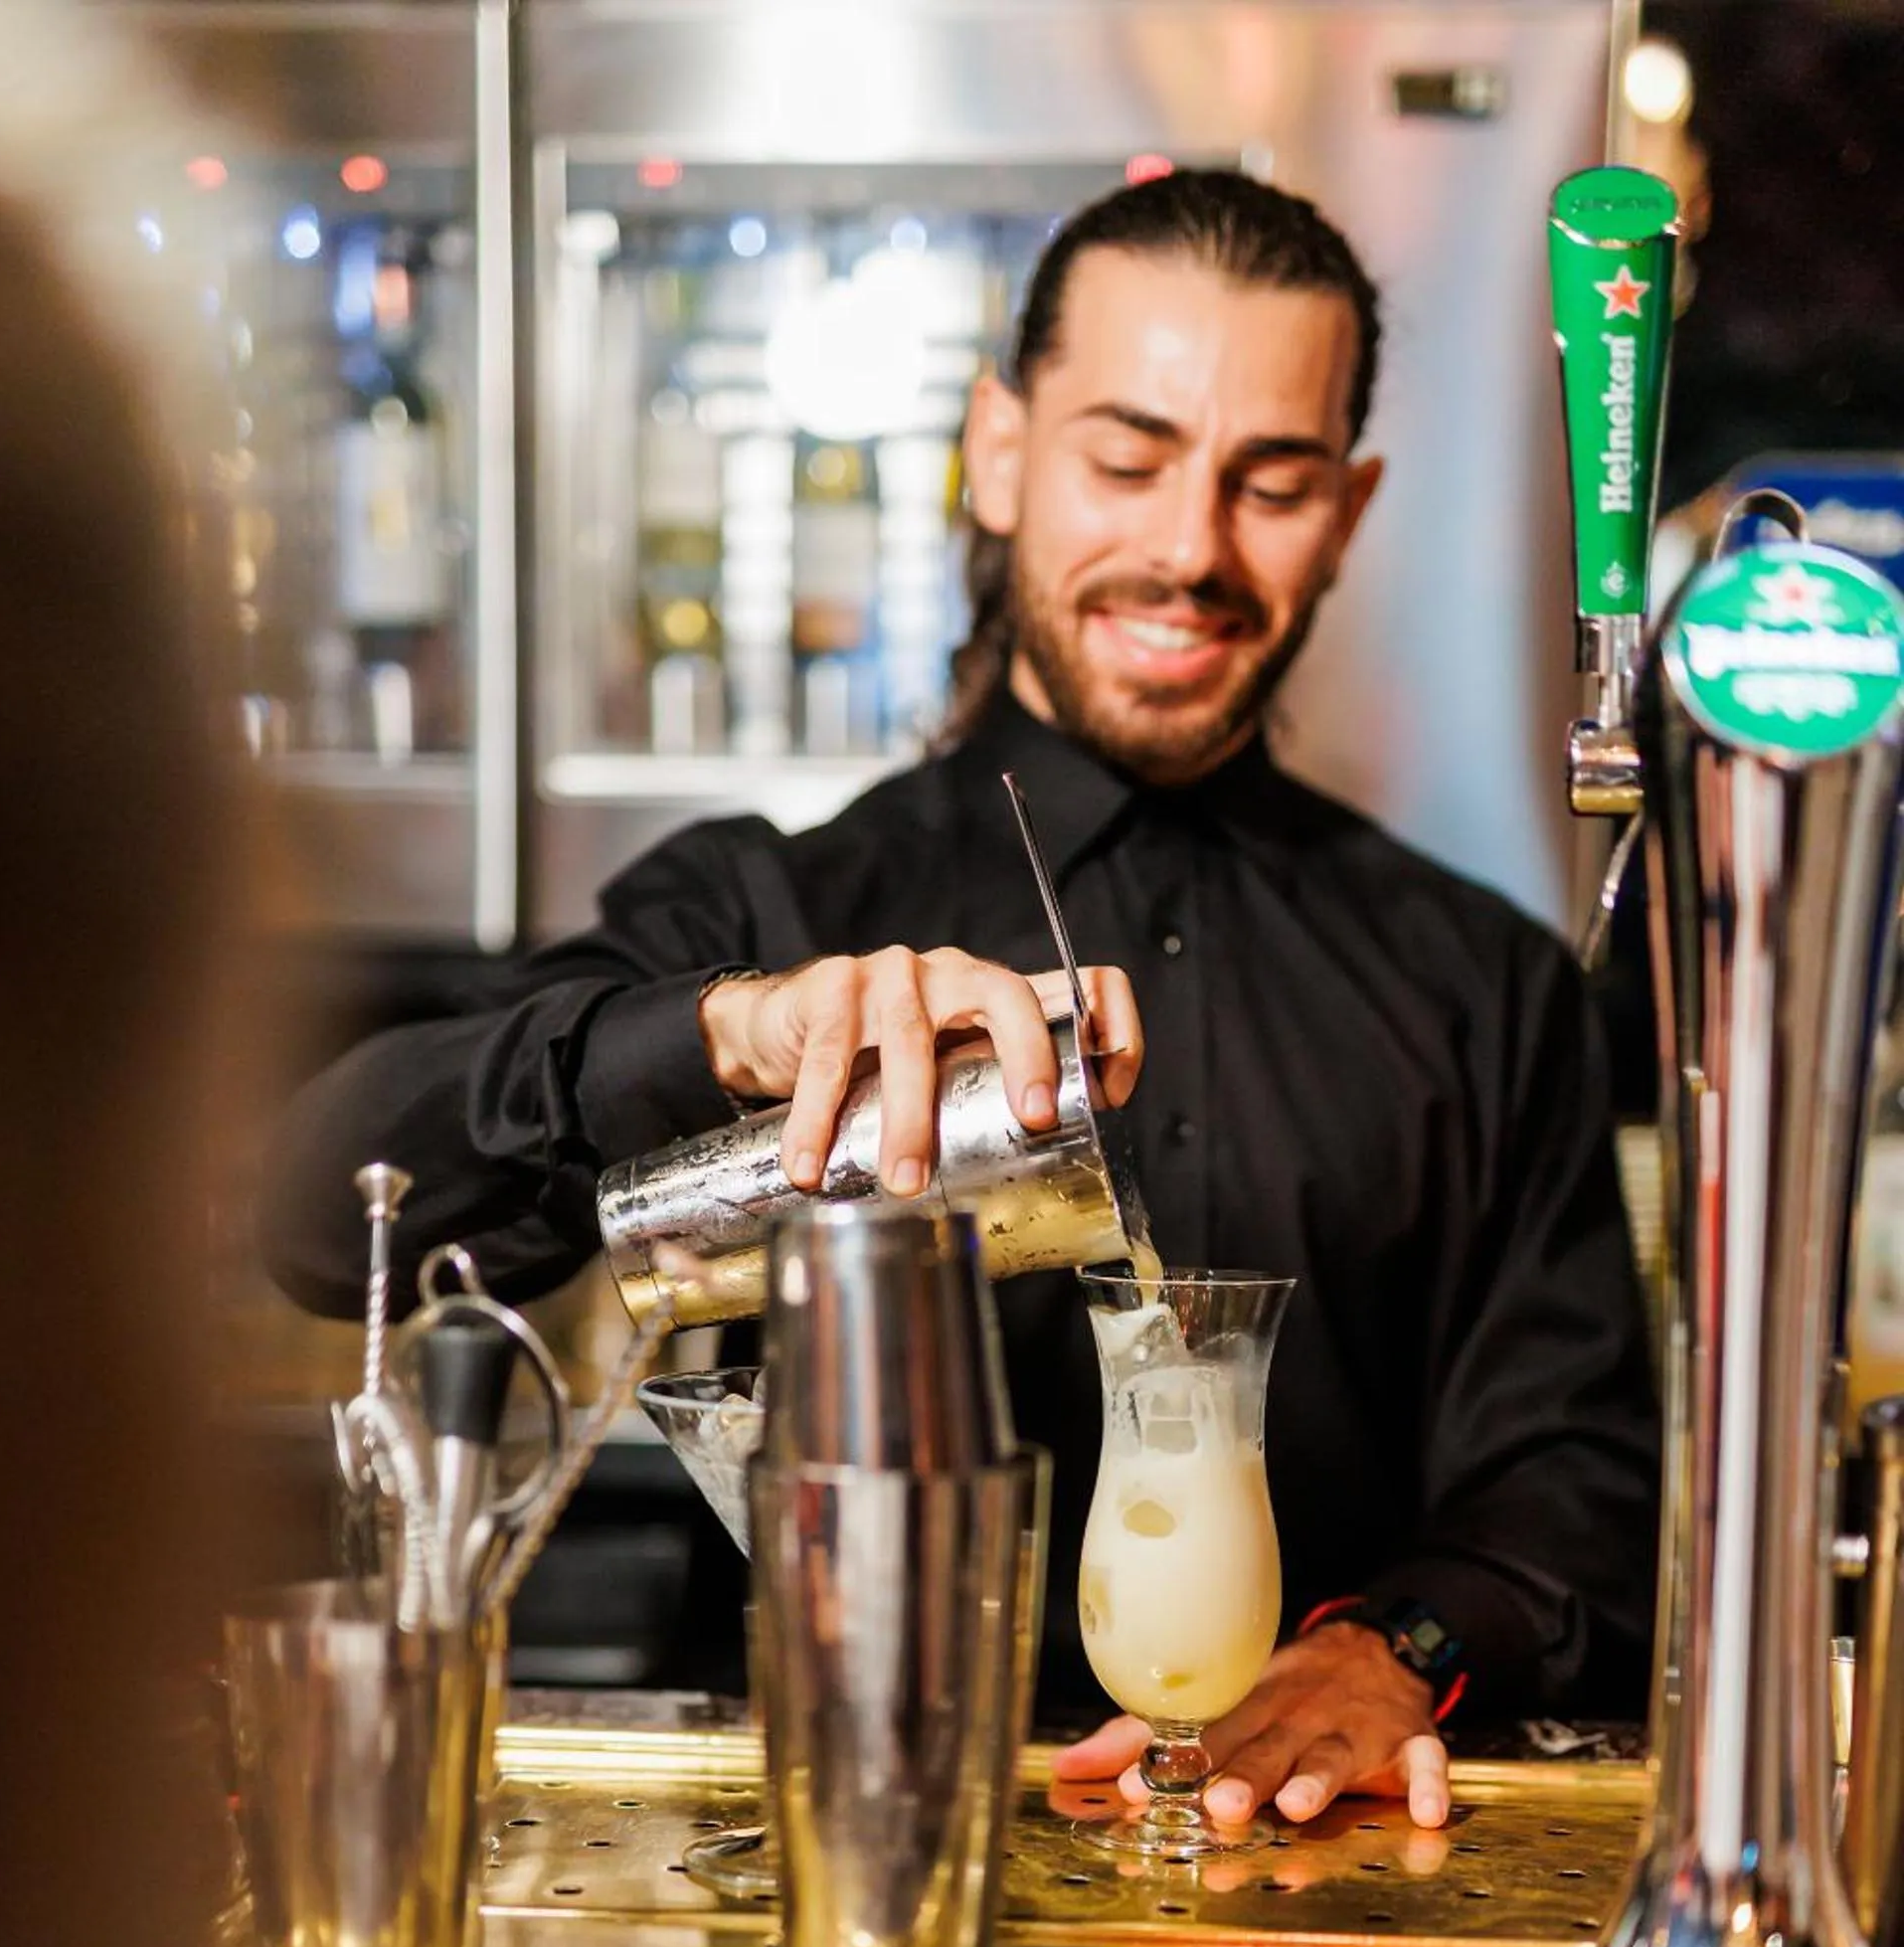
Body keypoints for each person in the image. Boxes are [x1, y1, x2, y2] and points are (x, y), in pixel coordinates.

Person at [263, 170, 1659, 1839]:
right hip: (820, 1862)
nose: (1189, 547)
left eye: (1271, 484)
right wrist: (721, 1033)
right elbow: (315, 1208)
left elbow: (1582, 1488)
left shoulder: (1479, 984)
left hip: (1296, 1857)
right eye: (1126, 459)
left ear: (1349, 513)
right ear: (1000, 452)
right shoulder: (771, 914)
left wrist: (1394, 1648)